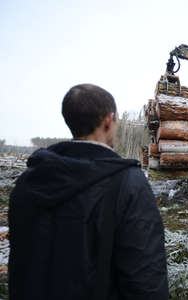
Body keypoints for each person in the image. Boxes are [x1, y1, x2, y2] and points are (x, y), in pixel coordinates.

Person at [8, 84, 168, 300]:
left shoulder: (29, 181)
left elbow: (21, 265)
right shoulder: (128, 184)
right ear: (109, 121)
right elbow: (146, 280)